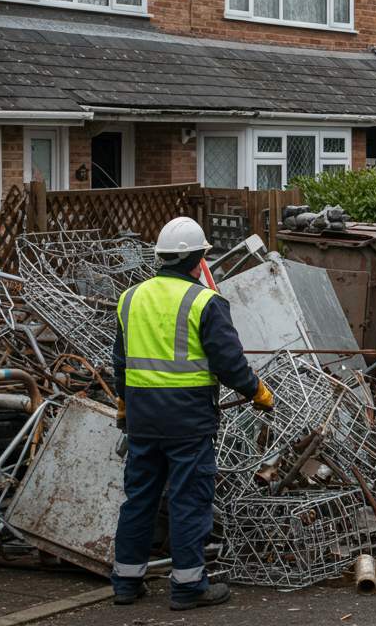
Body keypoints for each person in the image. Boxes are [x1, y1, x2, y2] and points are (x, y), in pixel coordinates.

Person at [111, 217, 275, 610]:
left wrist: (123, 403)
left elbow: (120, 362)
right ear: (199, 259)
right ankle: (188, 586)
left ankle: (126, 583)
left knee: (140, 498)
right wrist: (258, 392)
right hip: (187, 419)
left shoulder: (130, 298)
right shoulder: (205, 302)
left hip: (143, 418)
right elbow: (229, 363)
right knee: (189, 499)